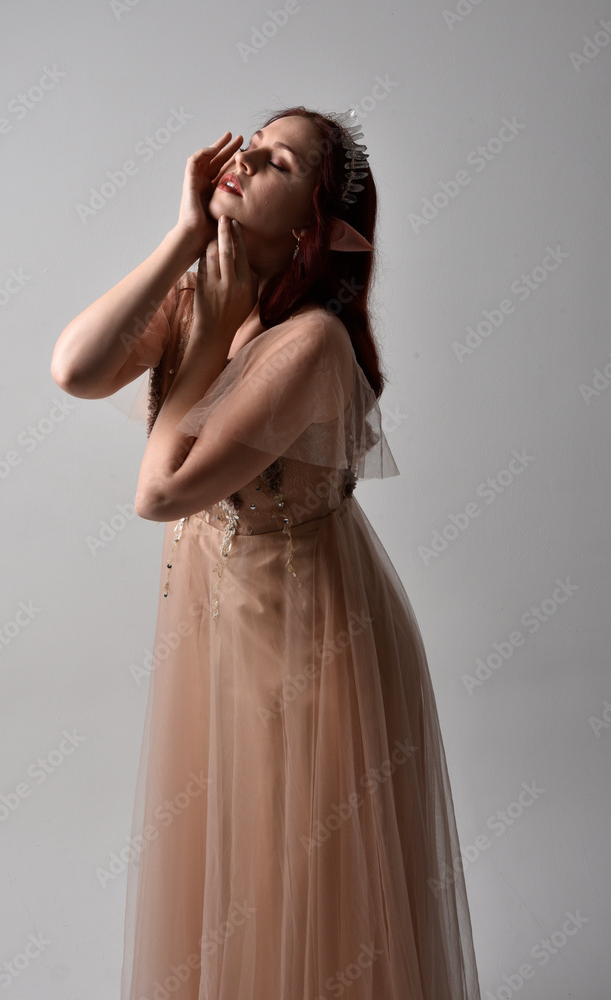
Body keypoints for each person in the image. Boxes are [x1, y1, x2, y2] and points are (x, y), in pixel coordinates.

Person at [51, 106, 482, 1000]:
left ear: (315, 228)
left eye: (277, 162)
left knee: (299, 882)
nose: (245, 159)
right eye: (252, 143)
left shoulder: (311, 342)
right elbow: (77, 369)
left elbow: (160, 493)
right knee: (230, 870)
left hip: (307, 642)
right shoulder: (208, 293)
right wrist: (182, 241)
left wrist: (208, 342)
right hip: (220, 630)